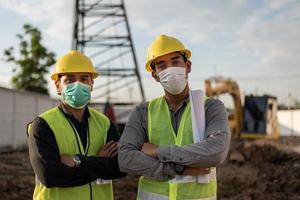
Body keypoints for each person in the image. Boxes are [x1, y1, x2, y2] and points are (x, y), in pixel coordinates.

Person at [118, 35, 231, 200]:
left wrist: (158, 151)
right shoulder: (142, 111)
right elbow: (125, 158)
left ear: (188, 66)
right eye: (162, 66)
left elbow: (216, 152)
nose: (169, 69)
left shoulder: (211, 107)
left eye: (175, 61)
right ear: (155, 75)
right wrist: (177, 169)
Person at [27, 50, 126, 200]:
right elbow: (50, 177)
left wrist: (78, 161)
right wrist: (100, 161)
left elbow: (120, 168)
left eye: (84, 78)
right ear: (58, 86)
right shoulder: (42, 125)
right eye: (70, 80)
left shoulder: (105, 124)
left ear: (92, 83)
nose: (78, 84)